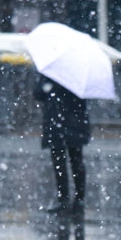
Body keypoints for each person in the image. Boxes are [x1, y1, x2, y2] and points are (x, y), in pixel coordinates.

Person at [34, 75, 90, 213]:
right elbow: (38, 94)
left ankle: (73, 200)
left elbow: (39, 94)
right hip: (66, 123)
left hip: (65, 123)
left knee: (70, 163)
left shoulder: (53, 74)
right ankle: (71, 200)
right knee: (69, 163)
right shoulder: (73, 74)